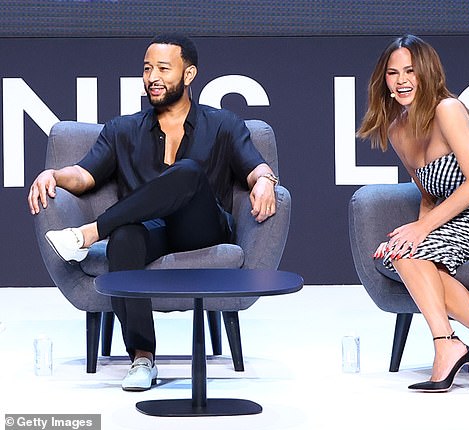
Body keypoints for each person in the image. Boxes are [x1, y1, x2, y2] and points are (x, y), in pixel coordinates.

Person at [27, 33, 280, 391]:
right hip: (152, 231)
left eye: (163, 68)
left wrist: (266, 181)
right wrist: (53, 173)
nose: (152, 77)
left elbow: (255, 166)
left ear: (189, 74)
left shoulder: (223, 123)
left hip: (202, 228)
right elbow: (84, 176)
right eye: (147, 69)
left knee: (188, 171)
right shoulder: (123, 129)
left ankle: (88, 234)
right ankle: (142, 358)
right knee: (125, 237)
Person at [357, 34, 469, 392]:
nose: (402, 80)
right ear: (384, 81)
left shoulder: (447, 109)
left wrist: (424, 228)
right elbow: (429, 193)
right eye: (393, 73)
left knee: (410, 249)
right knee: (403, 250)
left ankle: (450, 347)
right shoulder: (396, 130)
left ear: (427, 73)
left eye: (411, 70)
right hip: (465, 216)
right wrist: (415, 229)